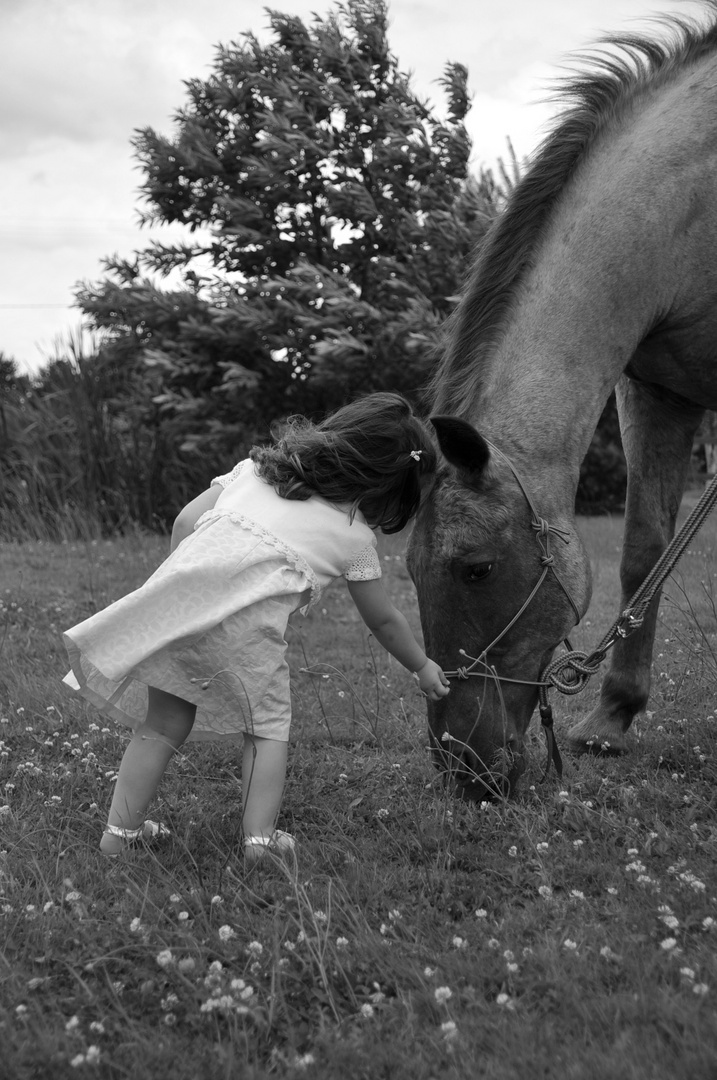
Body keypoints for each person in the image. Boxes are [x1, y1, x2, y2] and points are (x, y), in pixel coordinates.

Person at [62, 392, 449, 863]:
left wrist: (188, 585)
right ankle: (260, 842)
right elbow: (384, 620)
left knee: (161, 724)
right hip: (249, 642)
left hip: (182, 613)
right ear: (391, 488)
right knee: (265, 732)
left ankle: (117, 837)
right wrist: (422, 666)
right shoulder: (356, 539)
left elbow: (186, 520)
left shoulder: (254, 472)